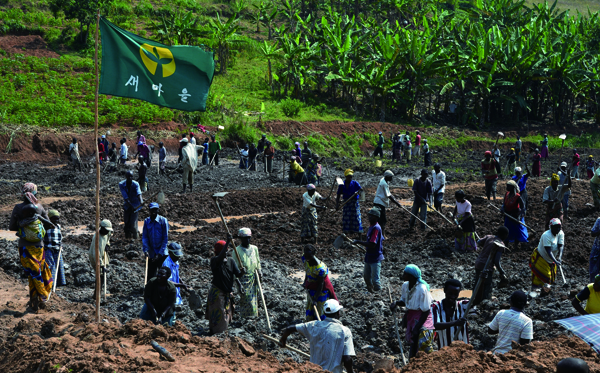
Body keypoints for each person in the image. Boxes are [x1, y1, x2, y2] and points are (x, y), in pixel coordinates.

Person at [279, 299, 355, 373]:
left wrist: (283, 339)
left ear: (324, 313)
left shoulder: (313, 325)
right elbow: (347, 359)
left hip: (313, 370)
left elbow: (289, 329)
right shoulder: (344, 331)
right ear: (338, 313)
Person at [9, 183, 52, 311]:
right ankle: (39, 299)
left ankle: (37, 299)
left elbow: (11, 227)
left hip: (24, 247)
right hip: (39, 247)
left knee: (32, 274)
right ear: (35, 193)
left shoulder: (17, 208)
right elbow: (48, 225)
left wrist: (22, 224)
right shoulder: (39, 207)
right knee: (38, 272)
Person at [390, 265, 434, 358]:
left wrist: (417, 327)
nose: (403, 275)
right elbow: (405, 301)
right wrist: (396, 303)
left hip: (423, 317)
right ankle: (412, 361)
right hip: (412, 316)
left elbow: (426, 310)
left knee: (422, 343)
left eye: (405, 274)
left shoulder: (422, 289)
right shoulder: (405, 285)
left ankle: (426, 361)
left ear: (412, 276)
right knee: (413, 341)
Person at [208, 236, 244, 334]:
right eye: (225, 249)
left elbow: (237, 275)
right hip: (217, 291)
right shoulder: (215, 260)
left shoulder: (231, 261)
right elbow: (220, 258)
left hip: (227, 291)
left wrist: (242, 272)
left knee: (227, 313)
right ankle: (217, 333)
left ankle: (223, 331)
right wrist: (228, 241)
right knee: (219, 314)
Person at [430, 279, 471, 349]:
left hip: (463, 351)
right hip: (445, 350)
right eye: (450, 293)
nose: (453, 296)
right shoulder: (436, 307)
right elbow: (435, 325)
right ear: (445, 291)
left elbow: (476, 300)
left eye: (456, 294)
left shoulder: (462, 305)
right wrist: (455, 323)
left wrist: (482, 282)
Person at [473, 227, 509, 304]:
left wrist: (486, 245)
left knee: (477, 283)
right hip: (487, 266)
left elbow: (478, 242)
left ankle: (474, 300)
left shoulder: (489, 237)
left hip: (478, 263)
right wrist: (502, 272)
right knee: (486, 286)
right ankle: (483, 303)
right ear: (504, 235)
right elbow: (496, 261)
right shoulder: (500, 244)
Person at [302, 244, 338, 320]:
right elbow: (307, 270)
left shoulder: (320, 268)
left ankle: (321, 324)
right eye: (306, 255)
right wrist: (305, 282)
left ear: (313, 254)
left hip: (321, 290)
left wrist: (315, 298)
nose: (307, 258)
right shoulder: (304, 258)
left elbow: (321, 284)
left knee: (320, 309)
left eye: (309, 256)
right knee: (311, 306)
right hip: (311, 286)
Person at [232, 228, 262, 318]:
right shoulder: (236, 251)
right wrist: (238, 283)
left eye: (249, 238)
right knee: (246, 301)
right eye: (245, 238)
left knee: (254, 300)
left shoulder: (254, 249)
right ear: (240, 239)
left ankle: (253, 318)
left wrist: (260, 272)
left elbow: (258, 262)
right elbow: (234, 270)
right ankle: (246, 318)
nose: (247, 240)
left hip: (254, 278)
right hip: (243, 280)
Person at [354, 208, 384, 293]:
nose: (369, 217)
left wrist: (358, 242)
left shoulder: (376, 228)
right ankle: (371, 293)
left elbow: (372, 244)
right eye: (369, 215)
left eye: (372, 216)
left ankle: (379, 296)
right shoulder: (371, 227)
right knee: (366, 277)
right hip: (369, 256)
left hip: (375, 257)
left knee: (375, 280)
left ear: (376, 217)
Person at [529, 218, 564, 289]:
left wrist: (559, 257)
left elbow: (561, 245)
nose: (558, 229)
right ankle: (536, 290)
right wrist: (555, 260)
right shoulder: (546, 235)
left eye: (559, 227)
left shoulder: (561, 233)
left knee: (551, 277)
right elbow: (548, 251)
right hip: (542, 257)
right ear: (551, 227)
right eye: (556, 227)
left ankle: (545, 291)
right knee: (544, 276)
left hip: (551, 259)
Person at [142, 202, 169, 280]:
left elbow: (165, 239)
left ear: (158, 210)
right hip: (151, 253)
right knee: (150, 277)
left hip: (162, 254)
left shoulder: (163, 221)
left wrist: (160, 254)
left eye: (155, 210)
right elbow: (145, 237)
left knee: (164, 276)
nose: (154, 211)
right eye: (152, 210)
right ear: (149, 210)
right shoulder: (147, 221)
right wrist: (146, 250)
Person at [88, 219, 113, 300]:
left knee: (102, 275)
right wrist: (101, 265)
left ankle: (98, 293)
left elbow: (109, 237)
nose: (107, 232)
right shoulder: (97, 238)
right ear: (101, 228)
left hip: (102, 254)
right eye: (106, 230)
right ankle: (96, 295)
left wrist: (107, 245)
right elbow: (96, 254)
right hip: (94, 256)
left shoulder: (107, 232)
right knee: (100, 275)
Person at [373, 170, 402, 237]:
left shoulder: (383, 180)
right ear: (387, 177)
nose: (392, 178)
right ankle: (382, 235)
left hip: (378, 202)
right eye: (391, 177)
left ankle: (379, 234)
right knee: (383, 220)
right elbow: (388, 195)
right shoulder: (384, 184)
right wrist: (397, 203)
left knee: (379, 219)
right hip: (379, 203)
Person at [336, 169, 363, 236]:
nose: (350, 178)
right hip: (346, 203)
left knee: (356, 218)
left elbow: (361, 190)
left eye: (351, 177)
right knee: (346, 218)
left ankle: (359, 235)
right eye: (348, 177)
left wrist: (357, 193)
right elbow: (338, 194)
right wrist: (337, 204)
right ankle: (346, 234)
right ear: (345, 177)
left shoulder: (355, 183)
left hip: (354, 203)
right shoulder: (342, 184)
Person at [502, 180, 528, 248]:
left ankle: (515, 245)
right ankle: (506, 245)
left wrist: (520, 216)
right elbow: (504, 203)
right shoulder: (507, 194)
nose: (507, 187)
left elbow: (523, 207)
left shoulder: (517, 196)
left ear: (513, 187)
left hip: (515, 215)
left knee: (517, 231)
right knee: (507, 229)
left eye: (508, 186)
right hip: (508, 215)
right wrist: (502, 208)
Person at [43, 209, 65, 288]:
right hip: (48, 248)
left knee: (59, 264)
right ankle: (51, 283)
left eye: (57, 218)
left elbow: (60, 237)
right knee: (51, 265)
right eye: (54, 218)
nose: (56, 220)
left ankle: (59, 282)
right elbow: (42, 237)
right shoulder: (45, 226)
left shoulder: (58, 226)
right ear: (49, 219)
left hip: (57, 248)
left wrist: (60, 245)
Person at [119, 171, 143, 240]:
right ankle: (127, 239)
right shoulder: (121, 184)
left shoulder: (136, 184)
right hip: (127, 206)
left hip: (136, 206)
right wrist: (131, 206)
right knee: (126, 224)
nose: (130, 178)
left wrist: (141, 201)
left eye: (131, 176)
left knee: (133, 224)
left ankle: (136, 239)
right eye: (128, 176)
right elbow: (125, 197)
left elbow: (139, 193)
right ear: (126, 177)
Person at [162, 242, 187, 309]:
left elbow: (176, 274)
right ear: (169, 252)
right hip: (168, 293)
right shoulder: (167, 264)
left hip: (175, 291)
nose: (178, 257)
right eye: (176, 255)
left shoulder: (175, 261)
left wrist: (182, 283)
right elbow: (168, 281)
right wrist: (181, 285)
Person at [590, 217, 600, 282]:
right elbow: (592, 233)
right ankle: (593, 288)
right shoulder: (599, 220)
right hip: (597, 249)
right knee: (593, 271)